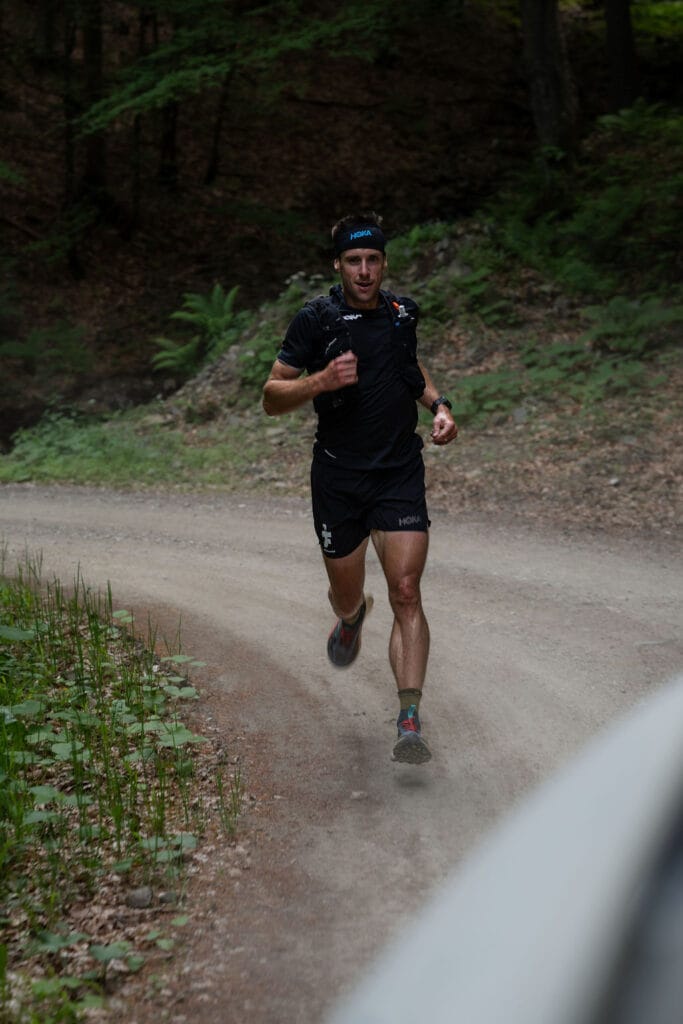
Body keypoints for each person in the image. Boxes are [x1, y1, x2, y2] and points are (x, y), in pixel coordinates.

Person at [262, 212, 458, 764]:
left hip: (398, 473)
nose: (364, 270)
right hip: (339, 479)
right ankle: (350, 618)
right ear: (338, 265)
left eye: (373, 260)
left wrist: (440, 407)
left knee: (406, 590)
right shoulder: (316, 320)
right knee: (348, 594)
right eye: (354, 261)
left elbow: (409, 368)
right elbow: (271, 395)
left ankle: (409, 718)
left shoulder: (400, 314)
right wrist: (321, 381)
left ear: (385, 263)